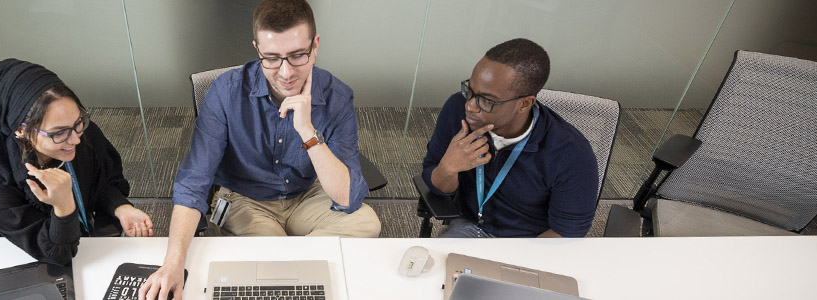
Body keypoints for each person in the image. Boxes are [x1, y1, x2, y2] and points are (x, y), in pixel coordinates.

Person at [139, 0, 381, 298]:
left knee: (368, 223)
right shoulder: (225, 92)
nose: (285, 72)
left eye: (297, 55)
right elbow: (193, 183)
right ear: (257, 50)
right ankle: (295, 257)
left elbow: (347, 196)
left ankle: (281, 255)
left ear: (315, 46)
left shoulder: (337, 96)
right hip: (245, 198)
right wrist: (173, 263)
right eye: (272, 58)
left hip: (305, 194)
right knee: (273, 256)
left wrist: (308, 133)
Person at [0, 58, 154, 266]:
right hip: (3, 256)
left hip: (72, 244)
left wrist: (120, 207)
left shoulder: (80, 134)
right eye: (58, 133)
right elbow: (56, 254)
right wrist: (63, 206)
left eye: (78, 122)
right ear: (20, 129)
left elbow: (102, 182)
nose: (76, 139)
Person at [422, 38, 598, 238]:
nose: (470, 105)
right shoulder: (457, 110)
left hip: (530, 243)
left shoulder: (571, 153)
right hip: (469, 227)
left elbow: (567, 232)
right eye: (470, 91)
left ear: (524, 104)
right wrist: (448, 168)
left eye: (487, 100)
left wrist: (512, 266)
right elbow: (435, 185)